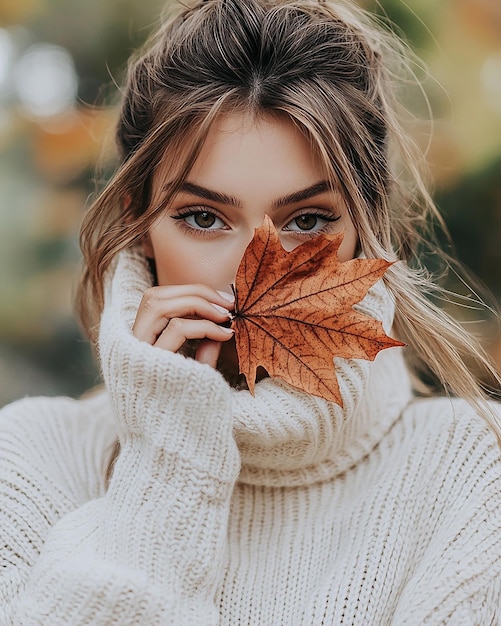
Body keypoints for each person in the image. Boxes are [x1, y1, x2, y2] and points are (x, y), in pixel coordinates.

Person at [1, 0, 500, 623]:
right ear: (137, 218)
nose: (248, 274)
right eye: (203, 218)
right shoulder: (34, 457)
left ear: (366, 227)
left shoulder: (472, 468)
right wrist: (167, 464)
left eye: (306, 221)